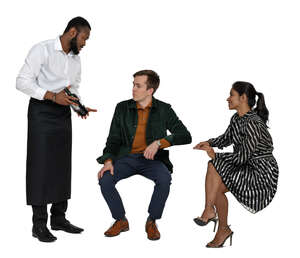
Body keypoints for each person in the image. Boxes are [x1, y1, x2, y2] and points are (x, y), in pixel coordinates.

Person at [16, 17, 97, 242]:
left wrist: (78, 106)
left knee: (62, 164)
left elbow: (73, 89)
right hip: (41, 111)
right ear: (72, 32)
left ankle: (59, 218)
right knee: (40, 166)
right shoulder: (41, 50)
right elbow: (21, 81)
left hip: (62, 113)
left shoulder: (75, 60)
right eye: (84, 38)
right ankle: (38, 224)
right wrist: (51, 96)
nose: (85, 43)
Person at [97, 70, 192, 240]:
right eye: (133, 84)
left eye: (138, 86)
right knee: (105, 179)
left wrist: (159, 143)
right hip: (126, 157)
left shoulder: (164, 109)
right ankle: (120, 220)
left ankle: (152, 221)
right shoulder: (122, 107)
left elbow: (185, 135)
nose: (133, 89)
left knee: (164, 180)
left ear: (150, 90)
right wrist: (109, 160)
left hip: (152, 160)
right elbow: (113, 139)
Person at [193, 81, 279, 248]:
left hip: (261, 172)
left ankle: (209, 211)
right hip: (246, 164)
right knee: (215, 187)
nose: (228, 98)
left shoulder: (253, 122)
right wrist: (208, 142)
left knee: (214, 165)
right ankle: (222, 227)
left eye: (231, 95)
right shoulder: (236, 118)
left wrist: (215, 155)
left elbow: (244, 157)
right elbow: (226, 138)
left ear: (243, 97)